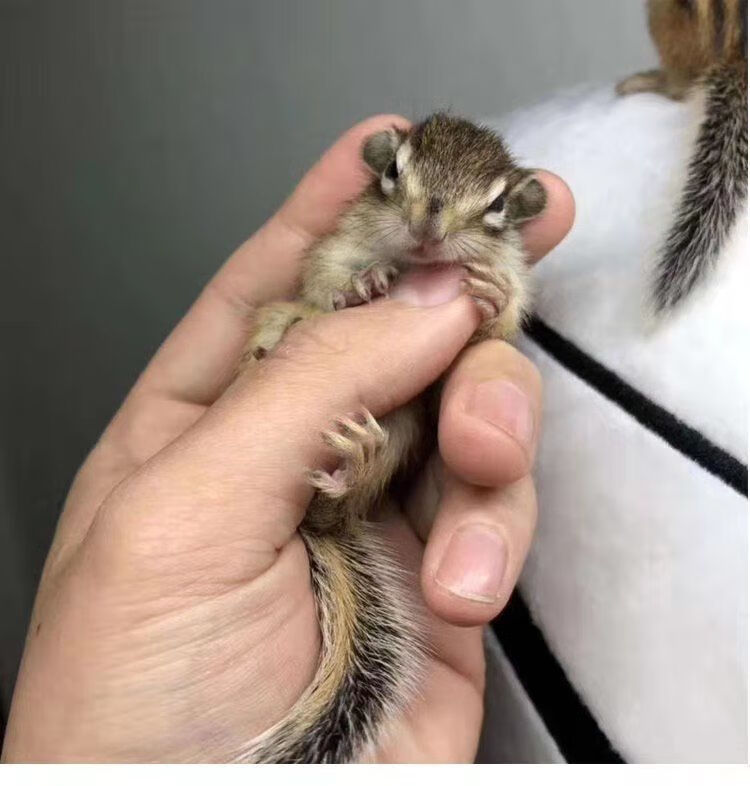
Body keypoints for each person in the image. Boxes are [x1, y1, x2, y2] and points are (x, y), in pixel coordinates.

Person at [1, 115, 574, 763]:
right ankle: (331, 482)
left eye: (483, 211)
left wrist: (495, 310)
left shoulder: (495, 260)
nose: (428, 229)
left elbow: (500, 323)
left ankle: (348, 485)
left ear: (514, 208)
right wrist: (348, 292)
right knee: (281, 323)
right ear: (384, 167)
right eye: (402, 185)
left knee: (412, 424)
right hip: (296, 418)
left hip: (392, 432)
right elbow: (324, 280)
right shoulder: (362, 227)